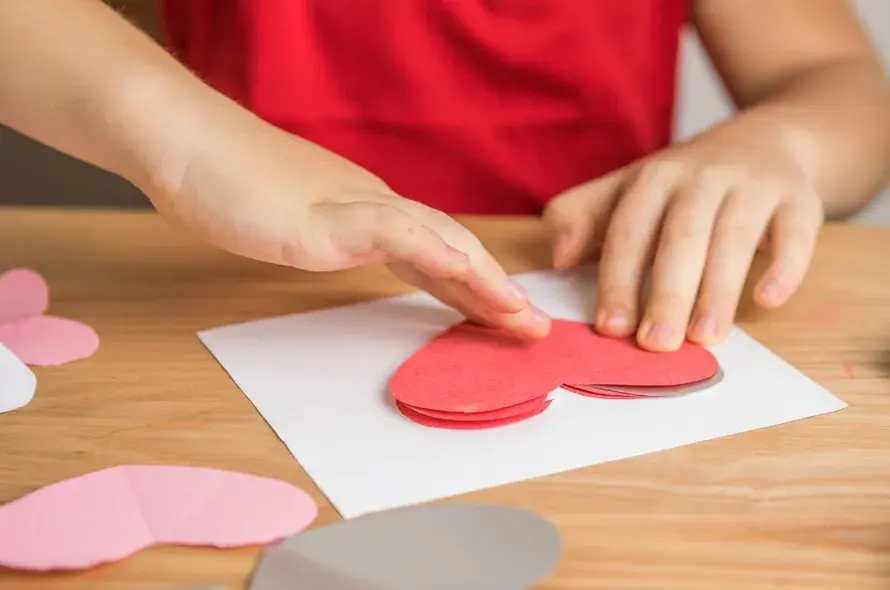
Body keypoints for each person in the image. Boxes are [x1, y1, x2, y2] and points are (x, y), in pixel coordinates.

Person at [2, 1, 888, 352]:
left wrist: (787, 145)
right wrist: (188, 141)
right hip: (227, 310)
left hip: (587, 304)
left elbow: (849, 91)